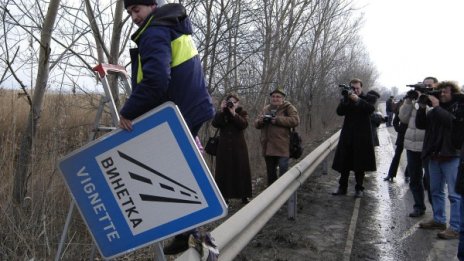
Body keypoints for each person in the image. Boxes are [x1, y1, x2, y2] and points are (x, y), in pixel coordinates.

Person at [119, 0, 215, 255]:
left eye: (136, 10)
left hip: (180, 112)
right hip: (189, 109)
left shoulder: (155, 31)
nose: (133, 17)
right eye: (129, 12)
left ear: (151, 6)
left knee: (171, 173)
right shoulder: (171, 26)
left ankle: (191, 233)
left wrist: (128, 111)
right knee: (176, 170)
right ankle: (188, 232)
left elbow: (156, 80)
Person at [416, 81, 462, 239]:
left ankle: (455, 227)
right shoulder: (436, 109)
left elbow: (451, 122)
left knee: (455, 195)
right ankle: (439, 220)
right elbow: (421, 125)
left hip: (451, 155)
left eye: (445, 92)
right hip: (434, 155)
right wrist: (422, 107)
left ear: (453, 93)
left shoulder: (459, 106)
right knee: (435, 190)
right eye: (440, 92)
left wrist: (436, 107)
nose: (442, 94)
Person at [399, 76, 438, 217]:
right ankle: (419, 207)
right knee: (415, 179)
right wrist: (409, 101)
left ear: (435, 86)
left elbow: (434, 118)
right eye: (424, 86)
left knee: (432, 181)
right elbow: (403, 118)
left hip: (429, 148)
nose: (426, 88)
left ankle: (437, 213)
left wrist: (426, 102)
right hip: (412, 145)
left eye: (429, 86)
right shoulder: (414, 101)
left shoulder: (436, 101)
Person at [331, 78, 377, 198]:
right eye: (353, 88)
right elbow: (339, 112)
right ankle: (342, 187)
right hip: (348, 135)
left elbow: (370, 109)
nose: (355, 90)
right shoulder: (347, 97)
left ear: (361, 88)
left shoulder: (368, 98)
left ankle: (359, 188)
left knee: (360, 164)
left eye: (357, 88)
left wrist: (358, 100)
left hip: (362, 136)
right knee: (344, 163)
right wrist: (346, 99)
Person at [212, 93, 252, 204]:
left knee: (241, 170)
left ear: (237, 103)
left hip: (239, 147)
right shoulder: (222, 113)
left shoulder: (242, 112)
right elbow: (215, 123)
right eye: (230, 101)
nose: (232, 103)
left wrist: (234, 113)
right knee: (224, 171)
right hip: (224, 147)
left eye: (234, 102)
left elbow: (243, 125)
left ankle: (244, 195)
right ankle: (224, 196)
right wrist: (222, 110)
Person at [254, 87, 300, 186]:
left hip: (283, 146)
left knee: (283, 169)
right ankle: (272, 194)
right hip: (268, 146)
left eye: (278, 97)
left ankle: (284, 191)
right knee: (271, 173)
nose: (275, 99)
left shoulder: (288, 107)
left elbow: (295, 121)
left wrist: (278, 120)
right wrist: (262, 120)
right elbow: (256, 124)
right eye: (273, 96)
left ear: (283, 98)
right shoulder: (266, 109)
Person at [384, 98, 409, 182]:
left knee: (411, 157)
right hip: (402, 135)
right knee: (397, 155)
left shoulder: (415, 109)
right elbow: (395, 122)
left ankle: (407, 175)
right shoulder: (402, 109)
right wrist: (399, 130)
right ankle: (391, 174)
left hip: (412, 137)